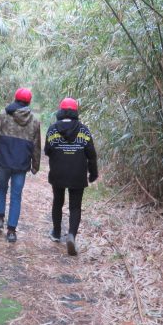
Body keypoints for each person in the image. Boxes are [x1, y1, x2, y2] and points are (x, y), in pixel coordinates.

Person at [0, 87, 41, 243]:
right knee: (16, 195)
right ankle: (11, 231)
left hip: (3, 160)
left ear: (15, 98)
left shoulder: (4, 115)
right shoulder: (35, 121)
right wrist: (35, 165)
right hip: (21, 163)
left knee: (2, 188)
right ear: (29, 102)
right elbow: (36, 146)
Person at [44, 97, 98, 256]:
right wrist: (93, 173)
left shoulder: (53, 129)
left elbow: (47, 151)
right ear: (75, 111)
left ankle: (56, 233)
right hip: (77, 173)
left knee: (58, 202)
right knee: (75, 206)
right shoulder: (84, 130)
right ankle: (71, 236)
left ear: (61, 111)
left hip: (58, 172)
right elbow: (91, 154)